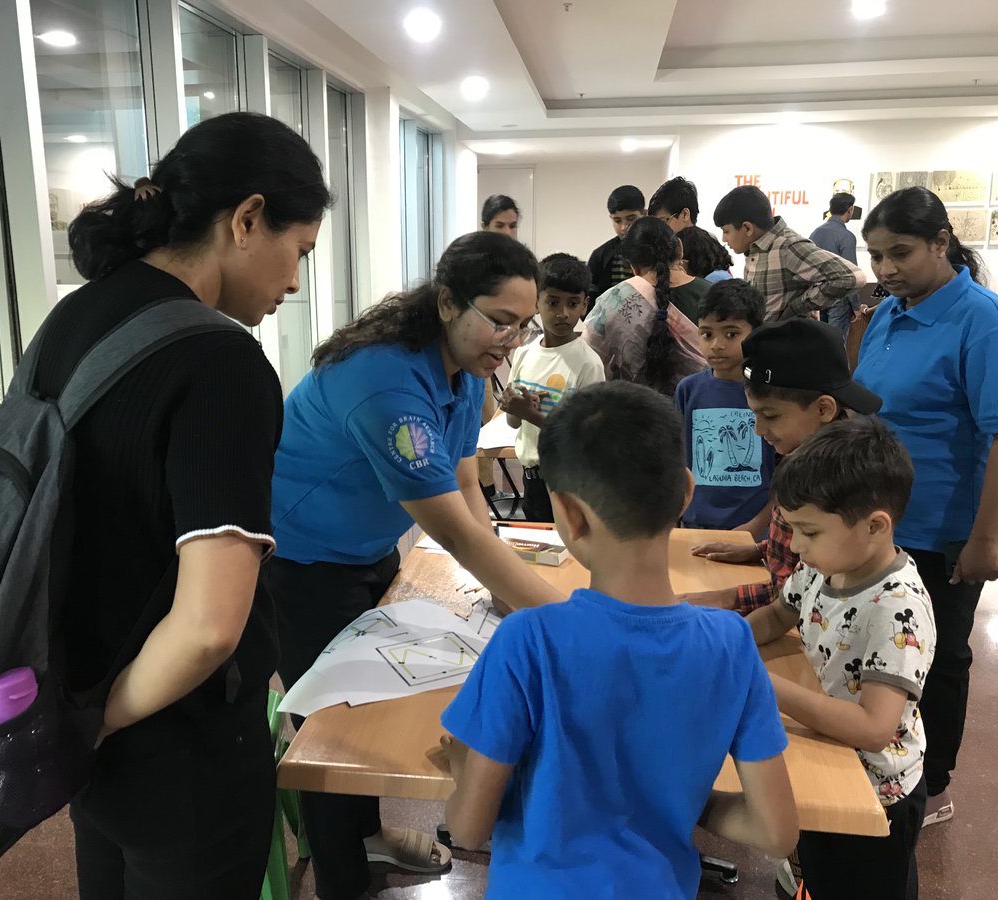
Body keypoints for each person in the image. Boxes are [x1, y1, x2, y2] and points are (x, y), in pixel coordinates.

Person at [42, 112, 331, 898]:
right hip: (176, 739)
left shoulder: (74, 318)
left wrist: (77, 724)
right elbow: (207, 628)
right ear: (246, 219)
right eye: (298, 250)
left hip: (71, 697)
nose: (297, 281)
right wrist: (101, 718)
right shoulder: (221, 362)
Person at [267, 231, 567, 900]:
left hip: (366, 548)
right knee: (333, 731)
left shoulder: (464, 371)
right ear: (446, 303)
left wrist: (508, 586)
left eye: (523, 325)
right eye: (499, 319)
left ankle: (369, 838)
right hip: (302, 560)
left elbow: (467, 487)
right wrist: (564, 620)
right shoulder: (384, 380)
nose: (510, 340)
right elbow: (456, 533)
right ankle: (341, 879)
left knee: (368, 702)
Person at [440, 381, 799, 898]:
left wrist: (459, 764)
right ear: (685, 491)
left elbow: (471, 829)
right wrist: (673, 796)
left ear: (568, 514)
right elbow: (776, 831)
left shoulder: (528, 639)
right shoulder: (731, 644)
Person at [853, 186, 998, 828]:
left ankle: (929, 784)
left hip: (947, 529)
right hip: (879, 524)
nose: (886, 269)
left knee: (937, 658)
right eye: (875, 256)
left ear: (941, 243)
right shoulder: (888, 313)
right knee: (880, 650)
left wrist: (985, 537)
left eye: (900, 253)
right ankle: (884, 761)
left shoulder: (986, 320)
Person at [747, 417, 934, 900]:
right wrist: (728, 644)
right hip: (829, 755)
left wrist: (763, 684)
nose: (797, 547)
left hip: (876, 793)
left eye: (809, 531)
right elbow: (775, 616)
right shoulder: (821, 568)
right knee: (823, 870)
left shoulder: (897, 609)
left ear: (875, 525)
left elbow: (875, 727)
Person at [680, 318, 883, 612]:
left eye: (771, 416)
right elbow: (797, 544)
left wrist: (730, 597)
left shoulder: (835, 479)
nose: (759, 430)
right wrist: (758, 549)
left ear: (824, 408)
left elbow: (800, 588)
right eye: (754, 416)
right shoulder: (800, 452)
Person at [501, 253, 605, 522]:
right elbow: (514, 422)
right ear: (536, 302)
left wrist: (531, 415)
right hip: (532, 480)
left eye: (573, 304)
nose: (563, 313)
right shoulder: (524, 354)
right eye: (553, 302)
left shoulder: (588, 364)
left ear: (585, 305)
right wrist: (515, 408)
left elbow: (585, 439)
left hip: (569, 483)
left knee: (569, 559)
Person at [674, 279, 774, 537]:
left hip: (753, 531)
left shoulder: (771, 392)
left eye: (731, 334)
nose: (716, 345)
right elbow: (679, 461)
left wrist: (756, 526)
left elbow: (786, 472)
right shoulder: (688, 390)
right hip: (694, 527)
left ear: (756, 333)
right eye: (707, 334)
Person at [583, 216, 706, 395]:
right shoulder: (713, 294)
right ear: (679, 249)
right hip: (703, 413)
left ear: (633, 266)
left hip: (637, 414)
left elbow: (589, 359)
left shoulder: (612, 301)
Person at [713, 185, 865, 321]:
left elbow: (852, 277)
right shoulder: (755, 249)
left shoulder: (786, 247)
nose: (724, 239)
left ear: (747, 228)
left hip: (783, 344)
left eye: (726, 231)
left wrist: (796, 308)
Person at [810, 192, 863, 338]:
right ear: (850, 209)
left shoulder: (815, 233)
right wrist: (856, 306)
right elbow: (851, 275)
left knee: (821, 343)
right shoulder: (847, 237)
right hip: (839, 298)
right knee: (837, 345)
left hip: (818, 296)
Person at [585, 184, 646, 308]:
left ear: (644, 214)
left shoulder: (659, 249)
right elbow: (587, 296)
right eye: (617, 221)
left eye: (631, 219)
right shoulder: (600, 255)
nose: (624, 227)